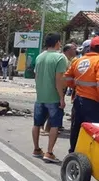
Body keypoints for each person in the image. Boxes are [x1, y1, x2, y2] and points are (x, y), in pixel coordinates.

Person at [32, 33, 67, 163]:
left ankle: (36, 149)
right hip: (53, 97)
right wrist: (62, 97)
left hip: (40, 96)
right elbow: (59, 80)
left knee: (37, 123)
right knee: (55, 125)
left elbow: (36, 77)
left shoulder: (40, 57)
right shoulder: (60, 58)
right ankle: (49, 152)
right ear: (57, 42)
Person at [64, 37, 99, 153]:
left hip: (78, 99)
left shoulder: (78, 61)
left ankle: (73, 151)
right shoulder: (98, 61)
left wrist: (75, 87)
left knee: (76, 127)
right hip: (93, 102)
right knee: (93, 130)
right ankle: (89, 155)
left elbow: (67, 77)